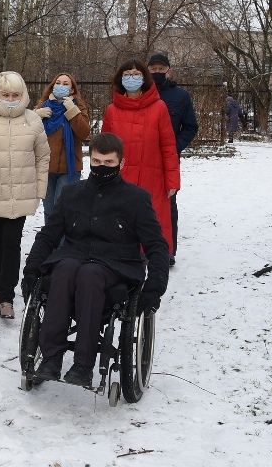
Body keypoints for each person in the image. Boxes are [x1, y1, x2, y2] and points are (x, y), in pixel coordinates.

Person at [22, 132, 170, 388]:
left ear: (121, 163)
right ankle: (51, 357)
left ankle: (83, 364)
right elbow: (48, 235)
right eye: (97, 162)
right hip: (74, 256)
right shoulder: (72, 193)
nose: (102, 168)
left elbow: (156, 245)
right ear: (90, 160)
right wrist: (31, 268)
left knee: (90, 275)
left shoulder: (136, 199)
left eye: (109, 163)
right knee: (63, 270)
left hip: (115, 263)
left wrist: (155, 285)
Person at [0, 71, 50, 320]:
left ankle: (7, 298)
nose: (11, 99)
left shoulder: (33, 121)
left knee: (12, 245)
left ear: (23, 94)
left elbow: (42, 157)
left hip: (19, 196)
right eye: (6, 95)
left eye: (15, 95)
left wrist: (39, 190)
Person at [101, 59, 180, 258]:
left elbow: (168, 147)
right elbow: (104, 148)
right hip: (120, 179)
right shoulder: (112, 110)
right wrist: (101, 176)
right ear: (120, 79)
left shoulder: (159, 107)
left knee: (151, 225)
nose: (131, 78)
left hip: (152, 179)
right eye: (127, 75)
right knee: (120, 226)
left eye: (136, 74)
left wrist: (172, 181)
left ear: (144, 78)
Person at [146, 54, 197, 265]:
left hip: (167, 159)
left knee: (168, 203)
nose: (157, 72)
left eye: (161, 69)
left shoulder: (181, 96)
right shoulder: (139, 94)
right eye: (153, 69)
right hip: (142, 157)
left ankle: (167, 250)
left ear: (169, 71)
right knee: (139, 201)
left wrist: (173, 148)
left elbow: (190, 127)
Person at [34, 72, 91, 221]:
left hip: (69, 169)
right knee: (49, 211)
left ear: (72, 90)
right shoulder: (44, 105)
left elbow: (84, 133)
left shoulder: (78, 106)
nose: (61, 86)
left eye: (66, 84)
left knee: (63, 211)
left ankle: (64, 238)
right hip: (46, 168)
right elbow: (28, 134)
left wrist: (72, 111)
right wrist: (35, 116)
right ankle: (50, 236)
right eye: (58, 83)